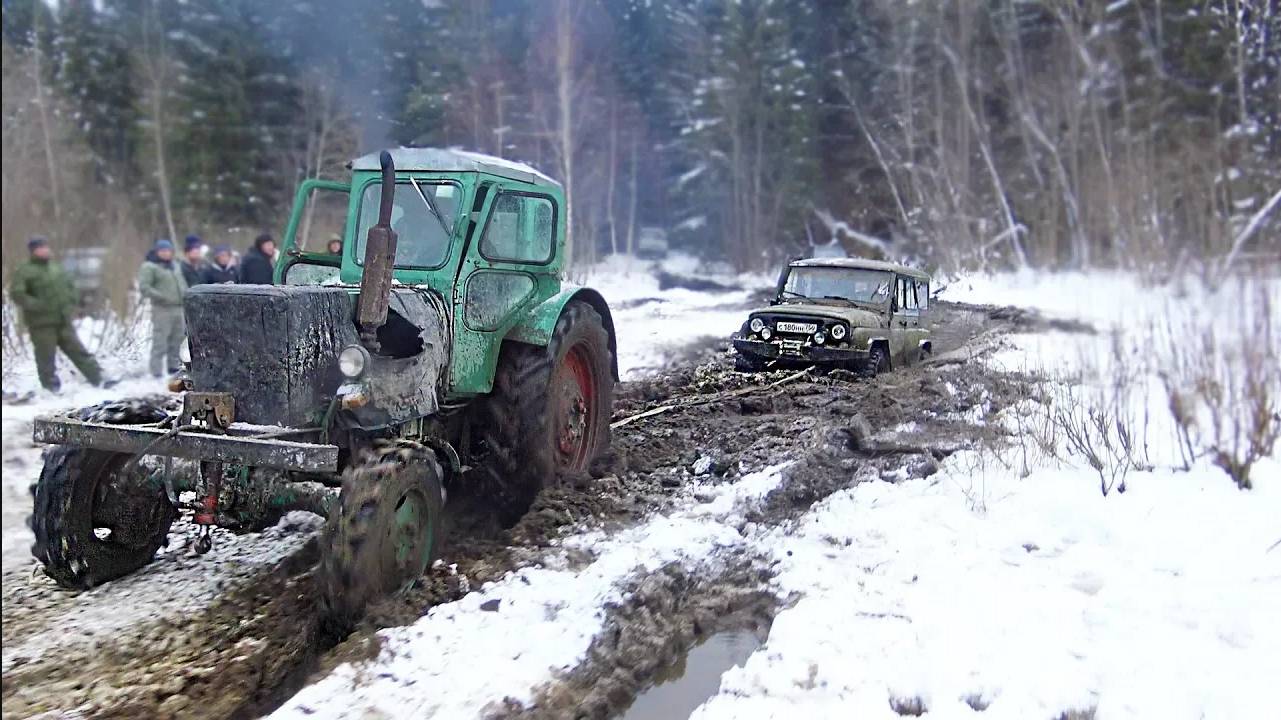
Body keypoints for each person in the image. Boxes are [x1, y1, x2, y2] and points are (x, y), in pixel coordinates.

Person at [8, 236, 105, 391]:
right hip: (41, 323)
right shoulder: (25, 270)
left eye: (46, 247)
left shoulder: (55, 267)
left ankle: (99, 378)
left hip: (63, 320)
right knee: (46, 357)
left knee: (79, 351)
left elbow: (69, 285)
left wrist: (72, 302)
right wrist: (37, 305)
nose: (45, 250)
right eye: (41, 247)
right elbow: (17, 294)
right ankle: (50, 388)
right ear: (34, 251)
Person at [138, 238, 188, 377]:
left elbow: (182, 283)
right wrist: (162, 296)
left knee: (177, 340)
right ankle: (156, 371)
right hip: (162, 309)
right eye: (163, 251)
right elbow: (145, 287)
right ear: (157, 252)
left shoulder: (175, 266)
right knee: (160, 340)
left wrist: (186, 295)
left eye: (168, 251)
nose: (166, 253)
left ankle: (173, 367)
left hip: (178, 308)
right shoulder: (149, 266)